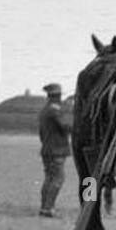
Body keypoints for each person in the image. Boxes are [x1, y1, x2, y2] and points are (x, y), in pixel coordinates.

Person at [38, 82, 70, 217]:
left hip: (47, 149)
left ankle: (45, 207)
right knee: (58, 179)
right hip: (57, 150)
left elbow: (41, 133)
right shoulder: (54, 110)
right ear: (57, 96)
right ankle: (48, 208)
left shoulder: (45, 109)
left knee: (49, 178)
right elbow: (65, 126)